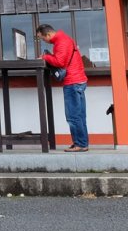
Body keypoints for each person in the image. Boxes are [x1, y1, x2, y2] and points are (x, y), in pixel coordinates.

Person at [36, 23, 89, 152]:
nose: (44, 41)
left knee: (73, 116)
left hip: (73, 82)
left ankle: (80, 144)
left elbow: (60, 62)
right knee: (79, 116)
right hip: (78, 80)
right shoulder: (64, 39)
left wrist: (45, 57)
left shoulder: (61, 41)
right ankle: (81, 142)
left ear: (48, 34)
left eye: (43, 38)